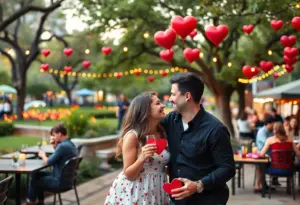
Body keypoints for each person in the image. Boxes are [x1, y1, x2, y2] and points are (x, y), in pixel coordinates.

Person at [161, 72, 235, 205]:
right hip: (177, 201)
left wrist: (198, 185)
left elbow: (227, 168)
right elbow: (145, 125)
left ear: (187, 96)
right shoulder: (170, 120)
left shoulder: (215, 129)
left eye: (173, 94)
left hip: (208, 200)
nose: (170, 99)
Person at [105, 92, 170, 205]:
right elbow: (129, 174)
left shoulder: (163, 132)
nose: (163, 105)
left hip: (157, 190)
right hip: (135, 192)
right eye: (158, 103)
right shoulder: (132, 136)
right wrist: (142, 158)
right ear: (146, 110)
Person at [25, 124, 78, 205]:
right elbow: (58, 157)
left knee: (34, 182)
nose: (53, 137)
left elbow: (49, 162)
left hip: (59, 181)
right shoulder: (70, 144)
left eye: (54, 135)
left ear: (59, 134)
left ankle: (30, 202)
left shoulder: (62, 146)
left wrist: (43, 155)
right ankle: (40, 202)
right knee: (35, 174)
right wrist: (54, 146)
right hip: (67, 180)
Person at [254, 122, 300, 191]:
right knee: (290, 163)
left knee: (260, 165)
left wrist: (267, 156)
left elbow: (261, 154)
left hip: (273, 169)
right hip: (289, 170)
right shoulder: (290, 140)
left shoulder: (270, 140)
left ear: (274, 130)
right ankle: (289, 187)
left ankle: (259, 186)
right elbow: (298, 154)